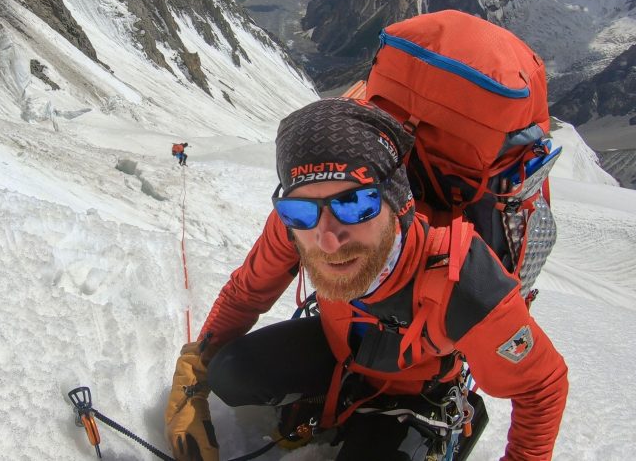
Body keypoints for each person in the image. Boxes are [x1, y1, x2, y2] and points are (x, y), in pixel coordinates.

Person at [164, 98, 568, 460]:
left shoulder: (462, 278)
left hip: (417, 393)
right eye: (301, 210)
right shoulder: (294, 226)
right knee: (231, 373)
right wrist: (193, 373)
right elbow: (245, 294)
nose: (327, 238)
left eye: (355, 204)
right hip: (340, 355)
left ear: (398, 201)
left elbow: (543, 386)